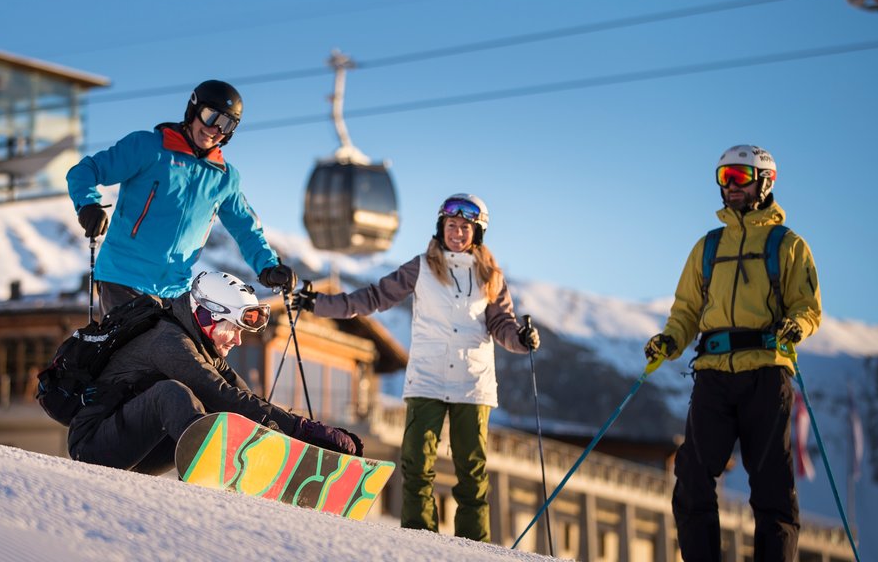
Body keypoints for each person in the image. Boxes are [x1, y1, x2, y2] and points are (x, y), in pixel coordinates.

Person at [291, 193, 540, 542]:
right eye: (451, 225)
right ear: (441, 227)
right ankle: (419, 541)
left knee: (472, 470)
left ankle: (474, 546)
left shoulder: (490, 276)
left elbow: (503, 325)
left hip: (473, 383)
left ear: (477, 233)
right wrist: (321, 304)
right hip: (428, 379)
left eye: (465, 227)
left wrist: (521, 339)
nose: (457, 232)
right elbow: (373, 297)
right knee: (417, 465)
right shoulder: (421, 267)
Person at [644, 145, 821, 561]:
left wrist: (798, 326)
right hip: (713, 376)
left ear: (765, 181)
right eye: (725, 178)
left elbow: (807, 306)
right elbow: (686, 310)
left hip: (766, 373)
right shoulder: (707, 247)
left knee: (772, 487)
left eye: (740, 177)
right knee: (692, 476)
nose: (731, 186)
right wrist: (671, 340)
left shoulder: (788, 245)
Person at [68, 270, 361, 476]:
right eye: (234, 328)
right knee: (176, 394)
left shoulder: (201, 343)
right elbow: (220, 394)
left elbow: (243, 397)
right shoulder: (169, 342)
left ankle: (258, 461)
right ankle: (216, 470)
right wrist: (302, 429)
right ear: (209, 316)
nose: (238, 340)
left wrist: (302, 436)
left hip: (137, 450)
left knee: (232, 410)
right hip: (94, 448)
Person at [66, 79, 296, 316]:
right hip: (124, 277)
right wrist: (87, 204)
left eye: (226, 123)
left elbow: (247, 230)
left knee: (183, 352)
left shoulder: (224, 179)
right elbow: (84, 171)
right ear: (193, 110)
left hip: (176, 290)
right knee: (141, 347)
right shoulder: (148, 148)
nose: (215, 129)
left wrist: (269, 267)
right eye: (210, 116)